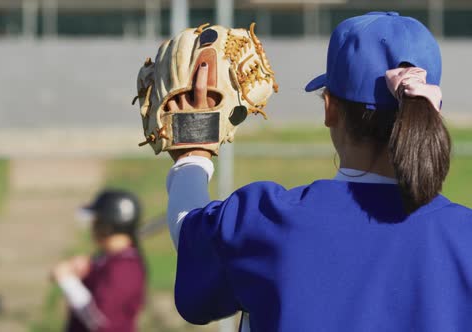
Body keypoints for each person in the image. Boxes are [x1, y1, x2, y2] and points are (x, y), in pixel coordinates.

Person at [164, 12, 472, 331]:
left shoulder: (268, 221)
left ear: (330, 108)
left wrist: (192, 153)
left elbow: (188, 230)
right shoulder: (465, 237)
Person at [52, 189, 146, 332]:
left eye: (96, 221)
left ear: (107, 226)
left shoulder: (125, 269)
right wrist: (89, 270)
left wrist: (67, 281)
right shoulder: (109, 260)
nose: (92, 227)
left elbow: (100, 320)